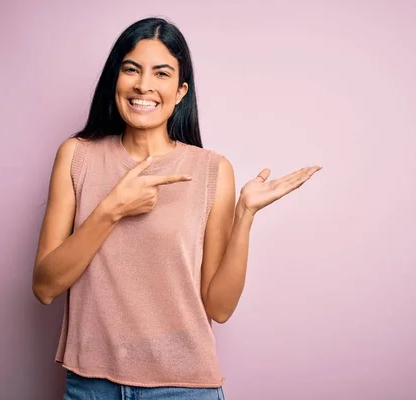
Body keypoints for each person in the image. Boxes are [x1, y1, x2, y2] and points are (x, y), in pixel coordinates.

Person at [32, 17, 321, 400]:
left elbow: (218, 307)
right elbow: (45, 286)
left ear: (181, 91)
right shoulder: (77, 157)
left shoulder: (212, 170)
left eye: (162, 73)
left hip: (182, 387)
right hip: (91, 386)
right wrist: (110, 210)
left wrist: (245, 216)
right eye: (131, 69)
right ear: (114, 79)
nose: (143, 85)